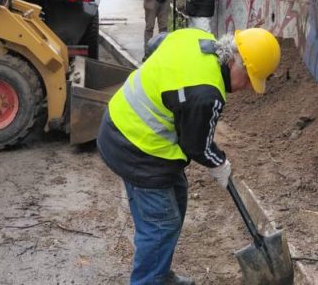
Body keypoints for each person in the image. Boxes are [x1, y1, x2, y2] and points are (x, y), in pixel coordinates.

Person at [97, 27, 281, 285]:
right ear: (233, 60)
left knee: (177, 198)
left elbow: (156, 44)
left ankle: (159, 273)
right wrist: (219, 163)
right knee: (161, 224)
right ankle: (149, 280)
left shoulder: (198, 38)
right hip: (133, 146)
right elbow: (197, 146)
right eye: (249, 77)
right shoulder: (206, 95)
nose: (249, 87)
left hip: (134, 129)